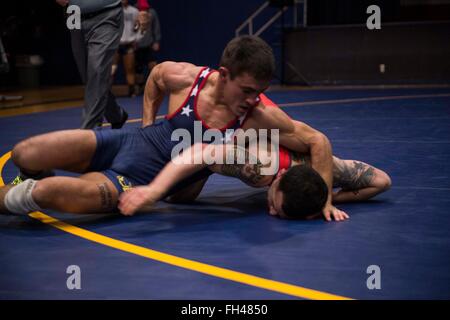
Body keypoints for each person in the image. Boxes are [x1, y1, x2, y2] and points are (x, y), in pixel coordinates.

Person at [140, 35, 342, 221]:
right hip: (195, 148)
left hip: (235, 151)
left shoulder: (260, 115)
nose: (252, 100)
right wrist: (146, 126)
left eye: (258, 93)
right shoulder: (187, 79)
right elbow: (157, 76)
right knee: (177, 198)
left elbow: (318, 140)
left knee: (179, 196)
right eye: (246, 91)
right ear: (224, 77)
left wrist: (325, 201)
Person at [118, 140, 392, 219]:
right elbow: (201, 150)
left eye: (277, 211)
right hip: (199, 141)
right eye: (275, 203)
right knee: (176, 199)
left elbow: (382, 181)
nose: (270, 210)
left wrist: (327, 201)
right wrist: (153, 190)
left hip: (222, 154)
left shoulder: (331, 168)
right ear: (280, 177)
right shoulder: (259, 167)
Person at [55, 0, 133, 128]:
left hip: (107, 13)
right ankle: (116, 115)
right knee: (89, 76)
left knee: (96, 71)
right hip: (74, 15)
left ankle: (89, 130)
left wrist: (142, 8)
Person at [111, 0, 140, 97]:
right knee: (111, 68)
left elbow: (138, 27)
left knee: (130, 68)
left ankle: (131, 91)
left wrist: (136, 39)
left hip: (128, 44)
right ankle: (106, 92)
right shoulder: (114, 10)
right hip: (116, 44)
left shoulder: (135, 11)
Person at [134, 0, 161, 95]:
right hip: (137, 45)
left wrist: (156, 41)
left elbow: (156, 26)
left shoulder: (152, 12)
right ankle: (139, 88)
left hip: (149, 44)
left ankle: (156, 87)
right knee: (138, 68)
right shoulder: (133, 11)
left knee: (153, 66)